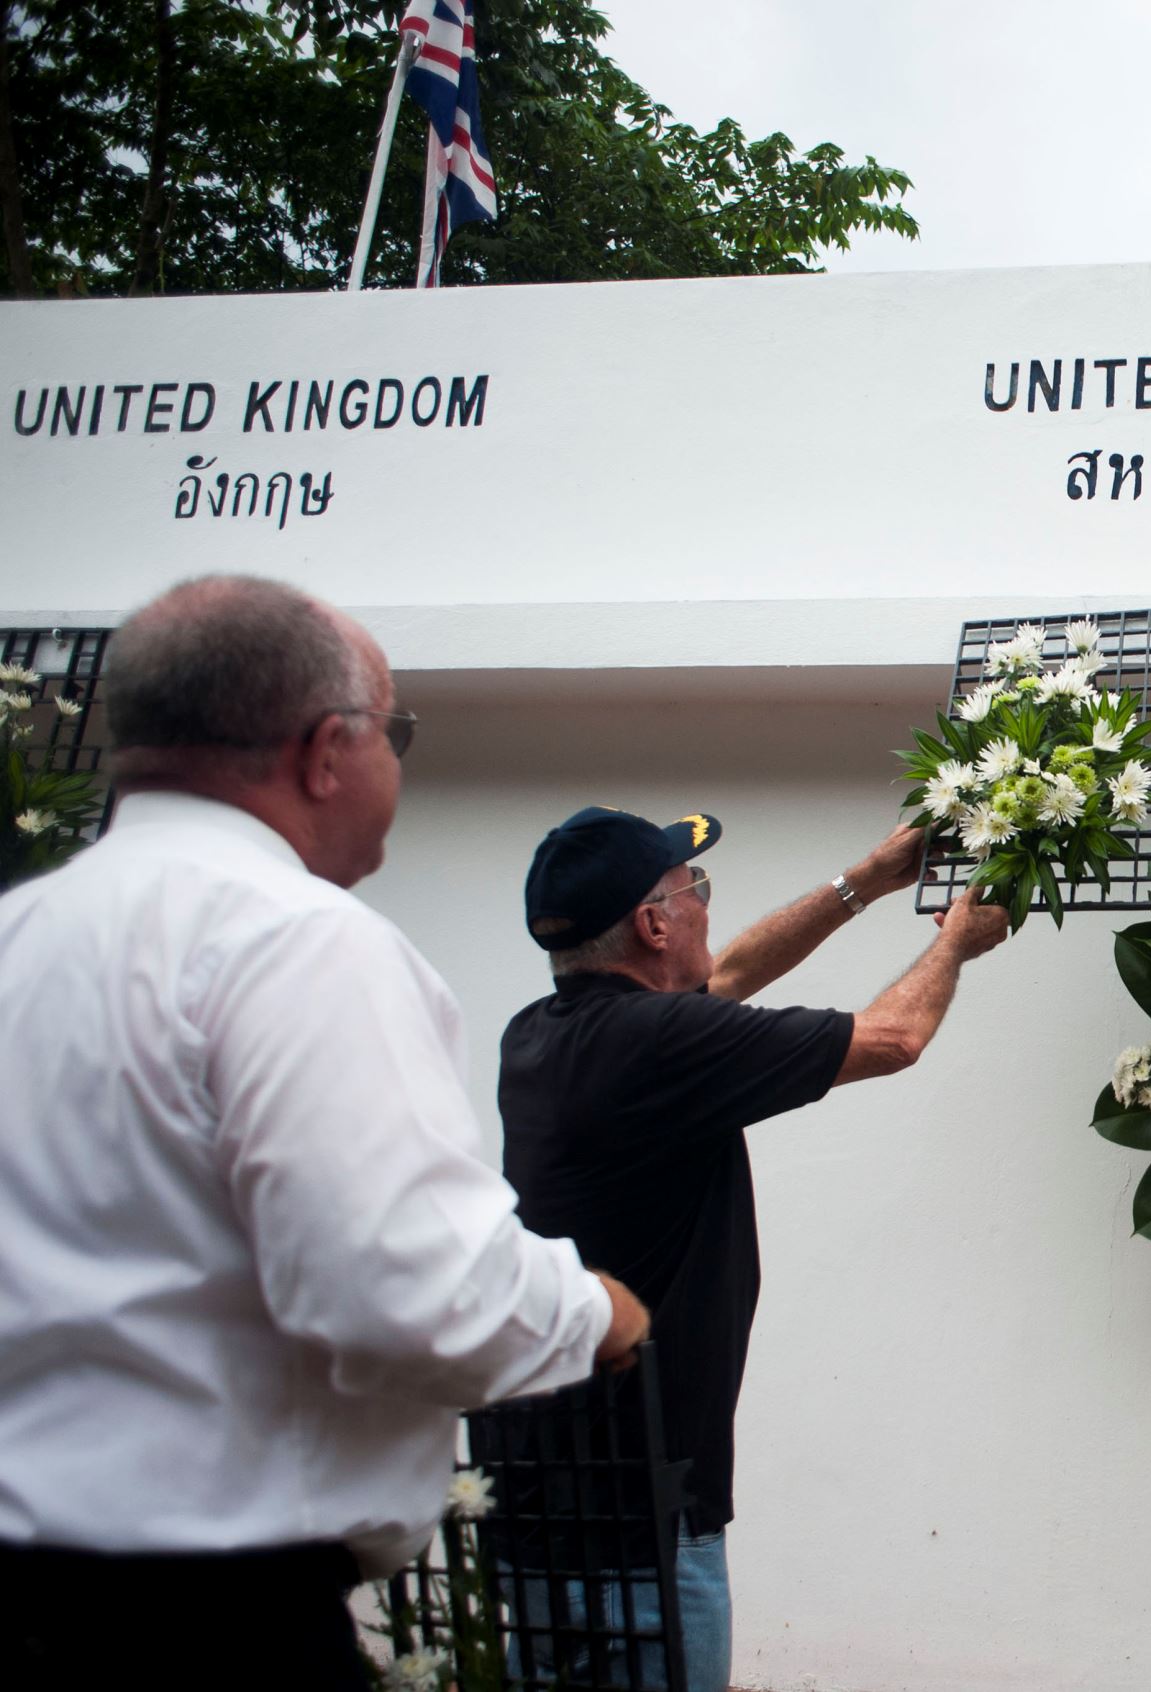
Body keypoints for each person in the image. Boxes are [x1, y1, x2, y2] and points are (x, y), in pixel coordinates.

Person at [0, 575, 651, 1691]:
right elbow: (402, 1285)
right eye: (395, 732)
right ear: (325, 750)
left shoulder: (21, 933)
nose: (398, 766)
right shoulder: (297, 940)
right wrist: (595, 1310)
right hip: (200, 1625)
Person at [496, 803, 1010, 1690]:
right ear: (654, 924)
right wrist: (955, 942)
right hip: (643, 1528)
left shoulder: (541, 1035)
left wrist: (867, 881)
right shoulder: (657, 1043)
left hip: (548, 1500)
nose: (702, 902)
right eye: (692, 887)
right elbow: (895, 1039)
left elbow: (727, 974)